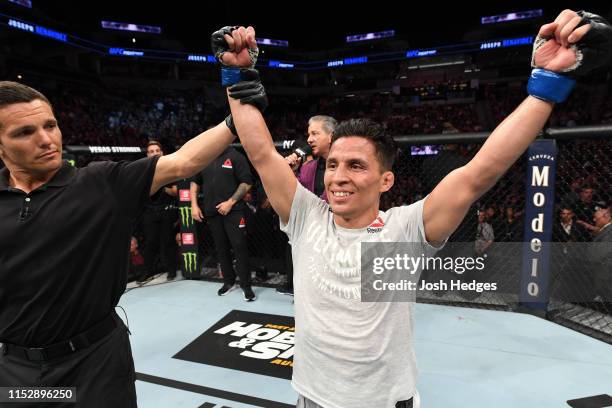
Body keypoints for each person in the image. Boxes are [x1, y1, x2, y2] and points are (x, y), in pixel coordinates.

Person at [216, 11, 610, 407]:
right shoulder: (306, 218)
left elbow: (478, 173)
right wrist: (237, 78)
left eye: (356, 166)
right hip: (311, 398)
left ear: (386, 181)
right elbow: (263, 153)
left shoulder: (404, 229)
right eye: (334, 164)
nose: (337, 177)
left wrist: (545, 87)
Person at [0, 75, 240, 406]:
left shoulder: (101, 182)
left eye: (50, 125)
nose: (46, 139)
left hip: (95, 365)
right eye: (25, 132)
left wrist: (235, 116)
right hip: (16, 371)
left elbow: (184, 161)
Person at [278, 116, 337, 296]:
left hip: (339, 235)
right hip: (314, 233)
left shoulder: (348, 165)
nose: (309, 139)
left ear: (331, 136)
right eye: (308, 134)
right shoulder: (309, 166)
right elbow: (296, 193)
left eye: (315, 133)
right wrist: (291, 171)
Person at [190, 147, 255, 301]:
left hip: (233, 210)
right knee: (221, 248)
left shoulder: (235, 156)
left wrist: (230, 202)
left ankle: (246, 285)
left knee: (239, 246)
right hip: (212, 211)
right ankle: (228, 281)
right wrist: (194, 204)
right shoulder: (204, 157)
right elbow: (194, 182)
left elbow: (246, 183)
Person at [140, 140, 179, 282]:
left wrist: (161, 187)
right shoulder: (142, 169)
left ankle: (171, 270)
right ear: (147, 155)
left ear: (162, 153)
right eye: (151, 151)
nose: (154, 153)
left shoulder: (170, 168)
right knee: (150, 242)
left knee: (168, 241)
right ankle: (148, 271)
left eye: (157, 150)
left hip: (166, 210)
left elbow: (176, 191)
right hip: (149, 211)